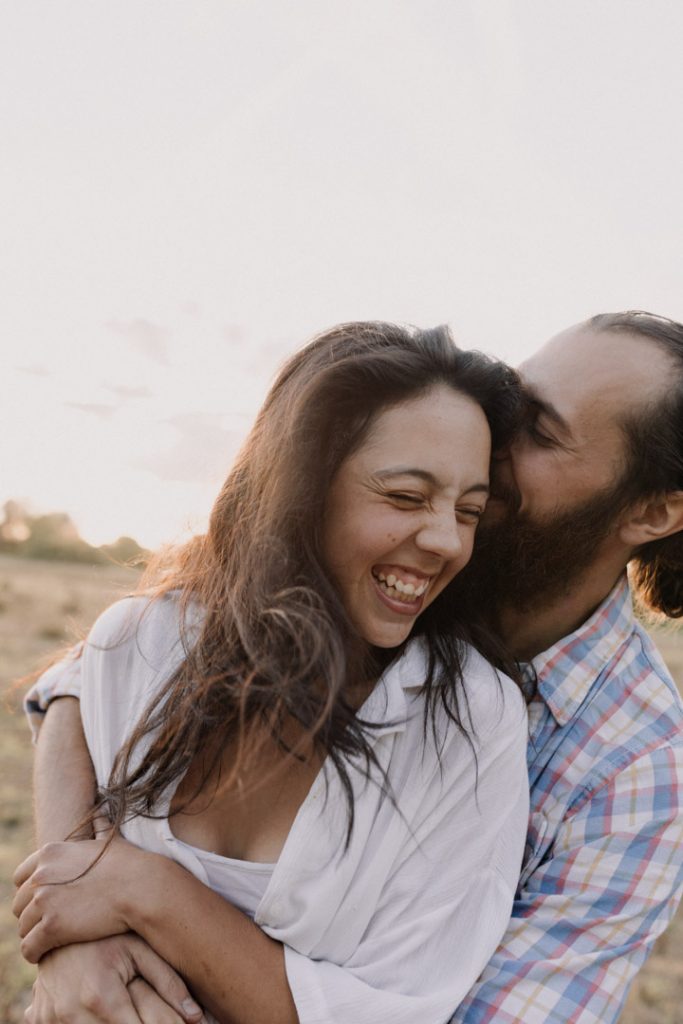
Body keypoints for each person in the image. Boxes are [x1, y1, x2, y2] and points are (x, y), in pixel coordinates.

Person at [13, 321, 530, 1024]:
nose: (445, 540)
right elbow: (67, 704)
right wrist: (68, 950)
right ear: (301, 488)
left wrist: (146, 890)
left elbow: (396, 1011)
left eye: (467, 512)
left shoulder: (466, 719)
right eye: (406, 497)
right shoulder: (143, 640)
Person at [445, 310, 683, 1022]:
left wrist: (158, 901)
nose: (488, 440)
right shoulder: (386, 577)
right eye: (508, 402)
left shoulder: (640, 766)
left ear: (651, 510)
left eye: (539, 432)